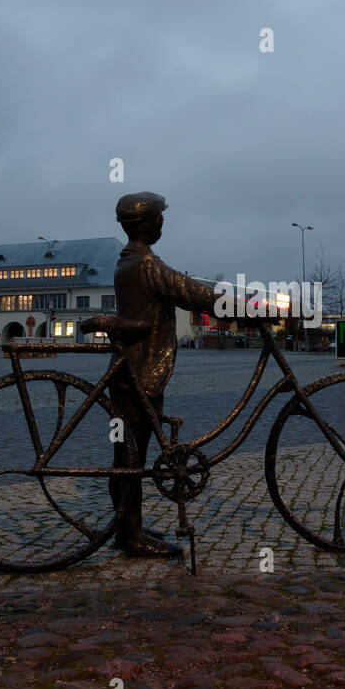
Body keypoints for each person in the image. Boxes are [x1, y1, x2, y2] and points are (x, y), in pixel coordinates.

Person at [108, 192, 221, 557]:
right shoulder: (145, 265)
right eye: (159, 218)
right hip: (140, 374)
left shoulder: (127, 262)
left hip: (136, 371)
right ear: (146, 224)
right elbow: (189, 291)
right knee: (131, 459)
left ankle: (126, 527)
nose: (162, 222)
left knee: (127, 455)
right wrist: (246, 304)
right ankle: (132, 536)